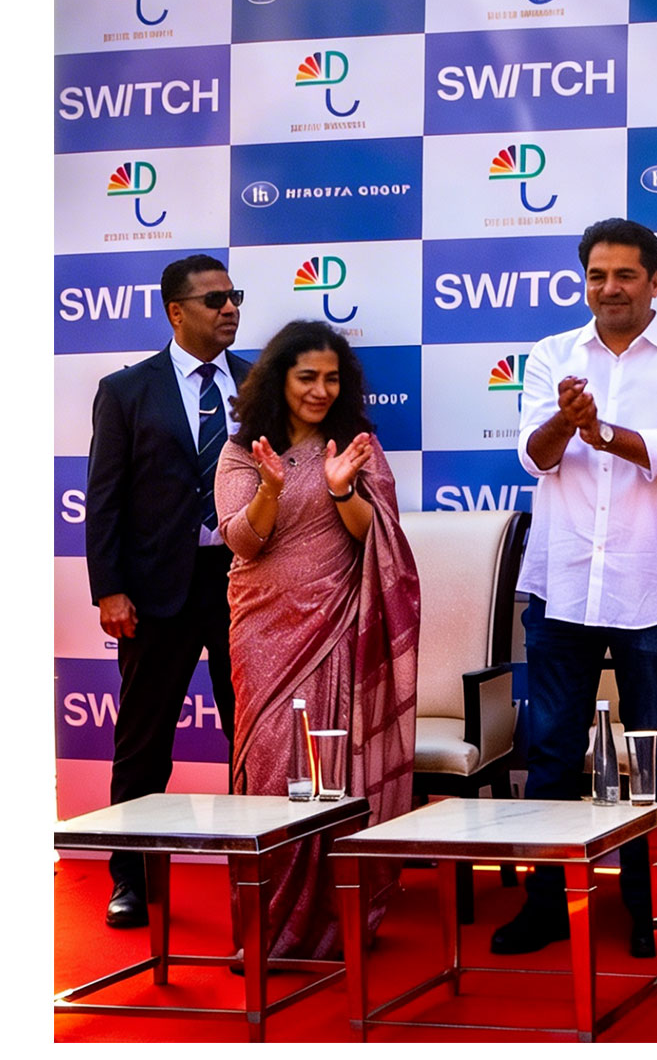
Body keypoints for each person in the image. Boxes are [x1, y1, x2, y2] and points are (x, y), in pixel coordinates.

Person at [490, 218, 657, 961]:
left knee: (653, 755)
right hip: (562, 587)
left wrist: (604, 433)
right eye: (597, 275)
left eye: (625, 275)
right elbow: (535, 455)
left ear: (655, 281)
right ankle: (548, 904)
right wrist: (567, 420)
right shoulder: (551, 355)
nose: (610, 288)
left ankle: (650, 909)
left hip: (650, 587)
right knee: (553, 752)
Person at [214, 319, 420, 960]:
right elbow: (244, 540)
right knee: (273, 768)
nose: (320, 390)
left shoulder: (357, 447)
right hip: (264, 631)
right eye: (308, 377)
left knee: (330, 772)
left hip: (335, 627)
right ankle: (270, 927)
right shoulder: (243, 451)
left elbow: (376, 536)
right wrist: (271, 488)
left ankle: (331, 923)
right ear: (280, 379)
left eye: (332, 378)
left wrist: (341, 487)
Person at [86, 254, 248, 929]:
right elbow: (104, 498)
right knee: (144, 743)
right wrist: (109, 589)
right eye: (215, 300)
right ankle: (130, 877)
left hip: (245, 588)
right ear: (176, 311)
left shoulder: (260, 384)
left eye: (235, 297)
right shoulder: (126, 390)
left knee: (252, 740)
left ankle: (258, 880)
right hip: (156, 593)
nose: (230, 309)